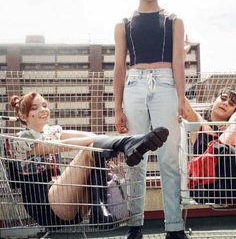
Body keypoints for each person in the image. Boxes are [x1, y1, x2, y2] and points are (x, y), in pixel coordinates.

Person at [9, 91, 169, 227]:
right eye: (35, 108)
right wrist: (110, 143)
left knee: (94, 145)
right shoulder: (21, 140)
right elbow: (57, 146)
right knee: (88, 151)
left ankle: (101, 208)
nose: (43, 110)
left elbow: (92, 136)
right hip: (45, 207)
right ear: (24, 116)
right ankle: (128, 143)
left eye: (44, 105)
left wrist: (110, 141)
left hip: (70, 203)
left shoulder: (50, 131)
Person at [114, 0, 188, 239]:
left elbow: (179, 61)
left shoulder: (173, 21)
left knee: (169, 157)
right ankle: (135, 225)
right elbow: (119, 67)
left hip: (166, 85)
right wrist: (117, 107)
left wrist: (181, 98)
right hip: (133, 87)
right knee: (135, 157)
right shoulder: (124, 24)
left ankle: (174, 227)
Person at [184, 88, 236, 204]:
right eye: (223, 98)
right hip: (208, 187)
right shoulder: (200, 125)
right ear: (213, 101)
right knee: (220, 149)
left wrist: (232, 123)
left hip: (230, 184)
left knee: (222, 149)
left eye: (231, 104)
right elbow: (185, 105)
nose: (225, 103)